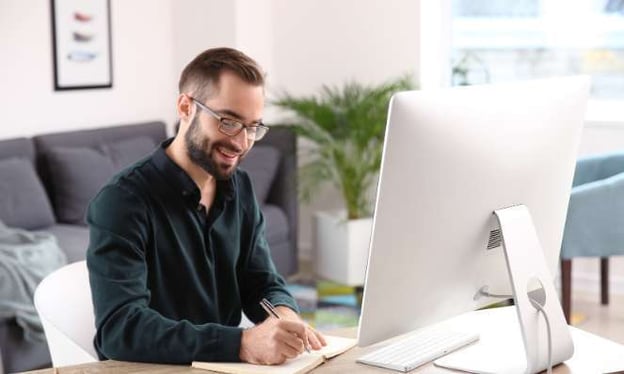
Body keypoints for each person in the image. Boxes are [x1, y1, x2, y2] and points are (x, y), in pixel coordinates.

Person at [86, 47, 326, 365]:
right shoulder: (122, 201)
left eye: (253, 127)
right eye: (228, 122)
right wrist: (240, 344)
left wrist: (283, 314)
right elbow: (120, 330)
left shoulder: (240, 187)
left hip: (220, 367)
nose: (241, 143)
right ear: (186, 107)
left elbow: (261, 281)